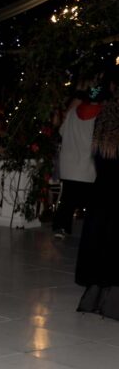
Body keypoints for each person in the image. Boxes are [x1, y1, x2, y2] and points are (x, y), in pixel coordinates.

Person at [75, 71, 119, 320]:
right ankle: (111, 302)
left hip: (103, 190)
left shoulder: (105, 116)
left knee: (102, 243)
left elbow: (99, 158)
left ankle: (94, 295)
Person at [52, 89, 99, 238]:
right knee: (91, 201)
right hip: (87, 166)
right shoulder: (99, 115)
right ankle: (91, 232)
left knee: (67, 199)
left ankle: (61, 228)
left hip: (69, 164)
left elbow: (61, 132)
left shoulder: (72, 113)